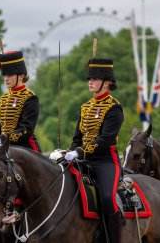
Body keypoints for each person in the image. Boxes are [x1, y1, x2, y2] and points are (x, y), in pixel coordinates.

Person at [64, 57, 124, 243]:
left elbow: (105, 140)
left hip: (105, 161)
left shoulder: (114, 108)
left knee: (107, 197)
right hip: (82, 160)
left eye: (95, 79)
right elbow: (77, 138)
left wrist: (80, 152)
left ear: (106, 82)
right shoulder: (85, 107)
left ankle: (114, 239)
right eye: (89, 78)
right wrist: (69, 152)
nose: (90, 82)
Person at [0, 50, 42, 153]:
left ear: (21, 76)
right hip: (4, 148)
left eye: (9, 75)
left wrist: (1, 139)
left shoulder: (30, 98)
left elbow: (26, 130)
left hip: (26, 149)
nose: (6, 79)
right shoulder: (3, 99)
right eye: (4, 76)